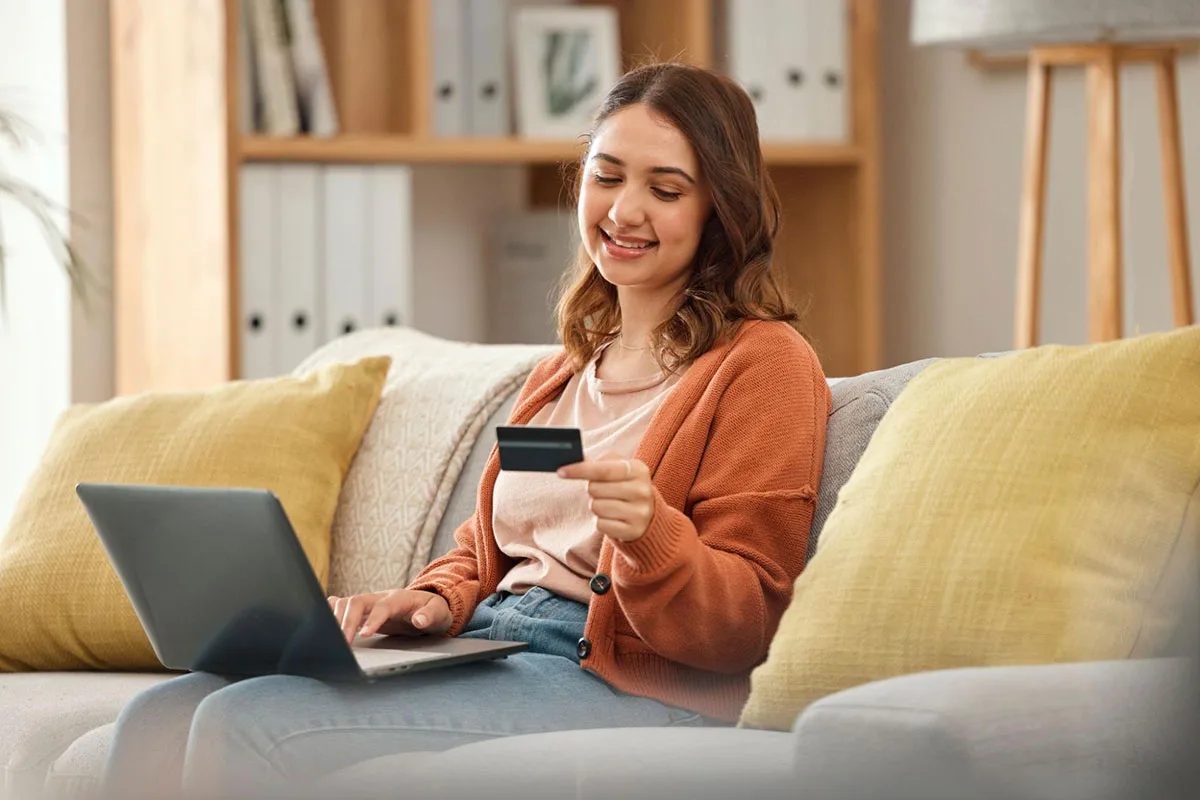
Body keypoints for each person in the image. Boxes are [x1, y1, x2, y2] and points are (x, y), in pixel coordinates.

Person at [100, 61, 831, 799]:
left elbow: (750, 621)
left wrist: (653, 536)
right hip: (493, 642)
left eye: (665, 190)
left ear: (719, 209)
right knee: (158, 716)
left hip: (618, 677)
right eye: (606, 177)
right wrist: (429, 602)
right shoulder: (565, 370)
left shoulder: (763, 363)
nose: (624, 211)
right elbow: (484, 551)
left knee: (249, 721)